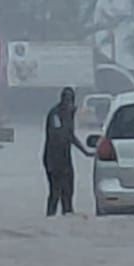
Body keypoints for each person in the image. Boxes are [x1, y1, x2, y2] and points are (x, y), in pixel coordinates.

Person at [42, 86, 90, 216]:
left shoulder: (69, 114)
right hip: (52, 159)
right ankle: (50, 216)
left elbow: (71, 136)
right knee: (55, 191)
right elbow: (59, 135)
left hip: (65, 157)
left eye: (71, 101)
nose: (69, 104)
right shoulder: (55, 114)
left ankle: (67, 216)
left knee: (68, 190)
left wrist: (85, 151)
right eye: (67, 101)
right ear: (62, 101)